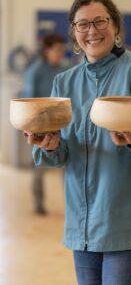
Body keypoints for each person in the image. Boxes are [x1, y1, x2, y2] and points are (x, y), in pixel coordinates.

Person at [25, 0, 131, 284]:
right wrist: (50, 145)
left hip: (128, 220)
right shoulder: (65, 82)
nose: (92, 31)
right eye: (82, 24)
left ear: (115, 25)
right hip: (82, 224)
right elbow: (62, 153)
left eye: (100, 21)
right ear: (73, 32)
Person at [22, 33, 66, 215]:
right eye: (57, 50)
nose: (60, 54)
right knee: (39, 168)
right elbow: (29, 102)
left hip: (61, 125)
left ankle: (71, 203)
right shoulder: (35, 71)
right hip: (40, 126)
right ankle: (39, 204)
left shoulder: (65, 70)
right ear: (47, 50)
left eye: (62, 50)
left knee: (66, 166)